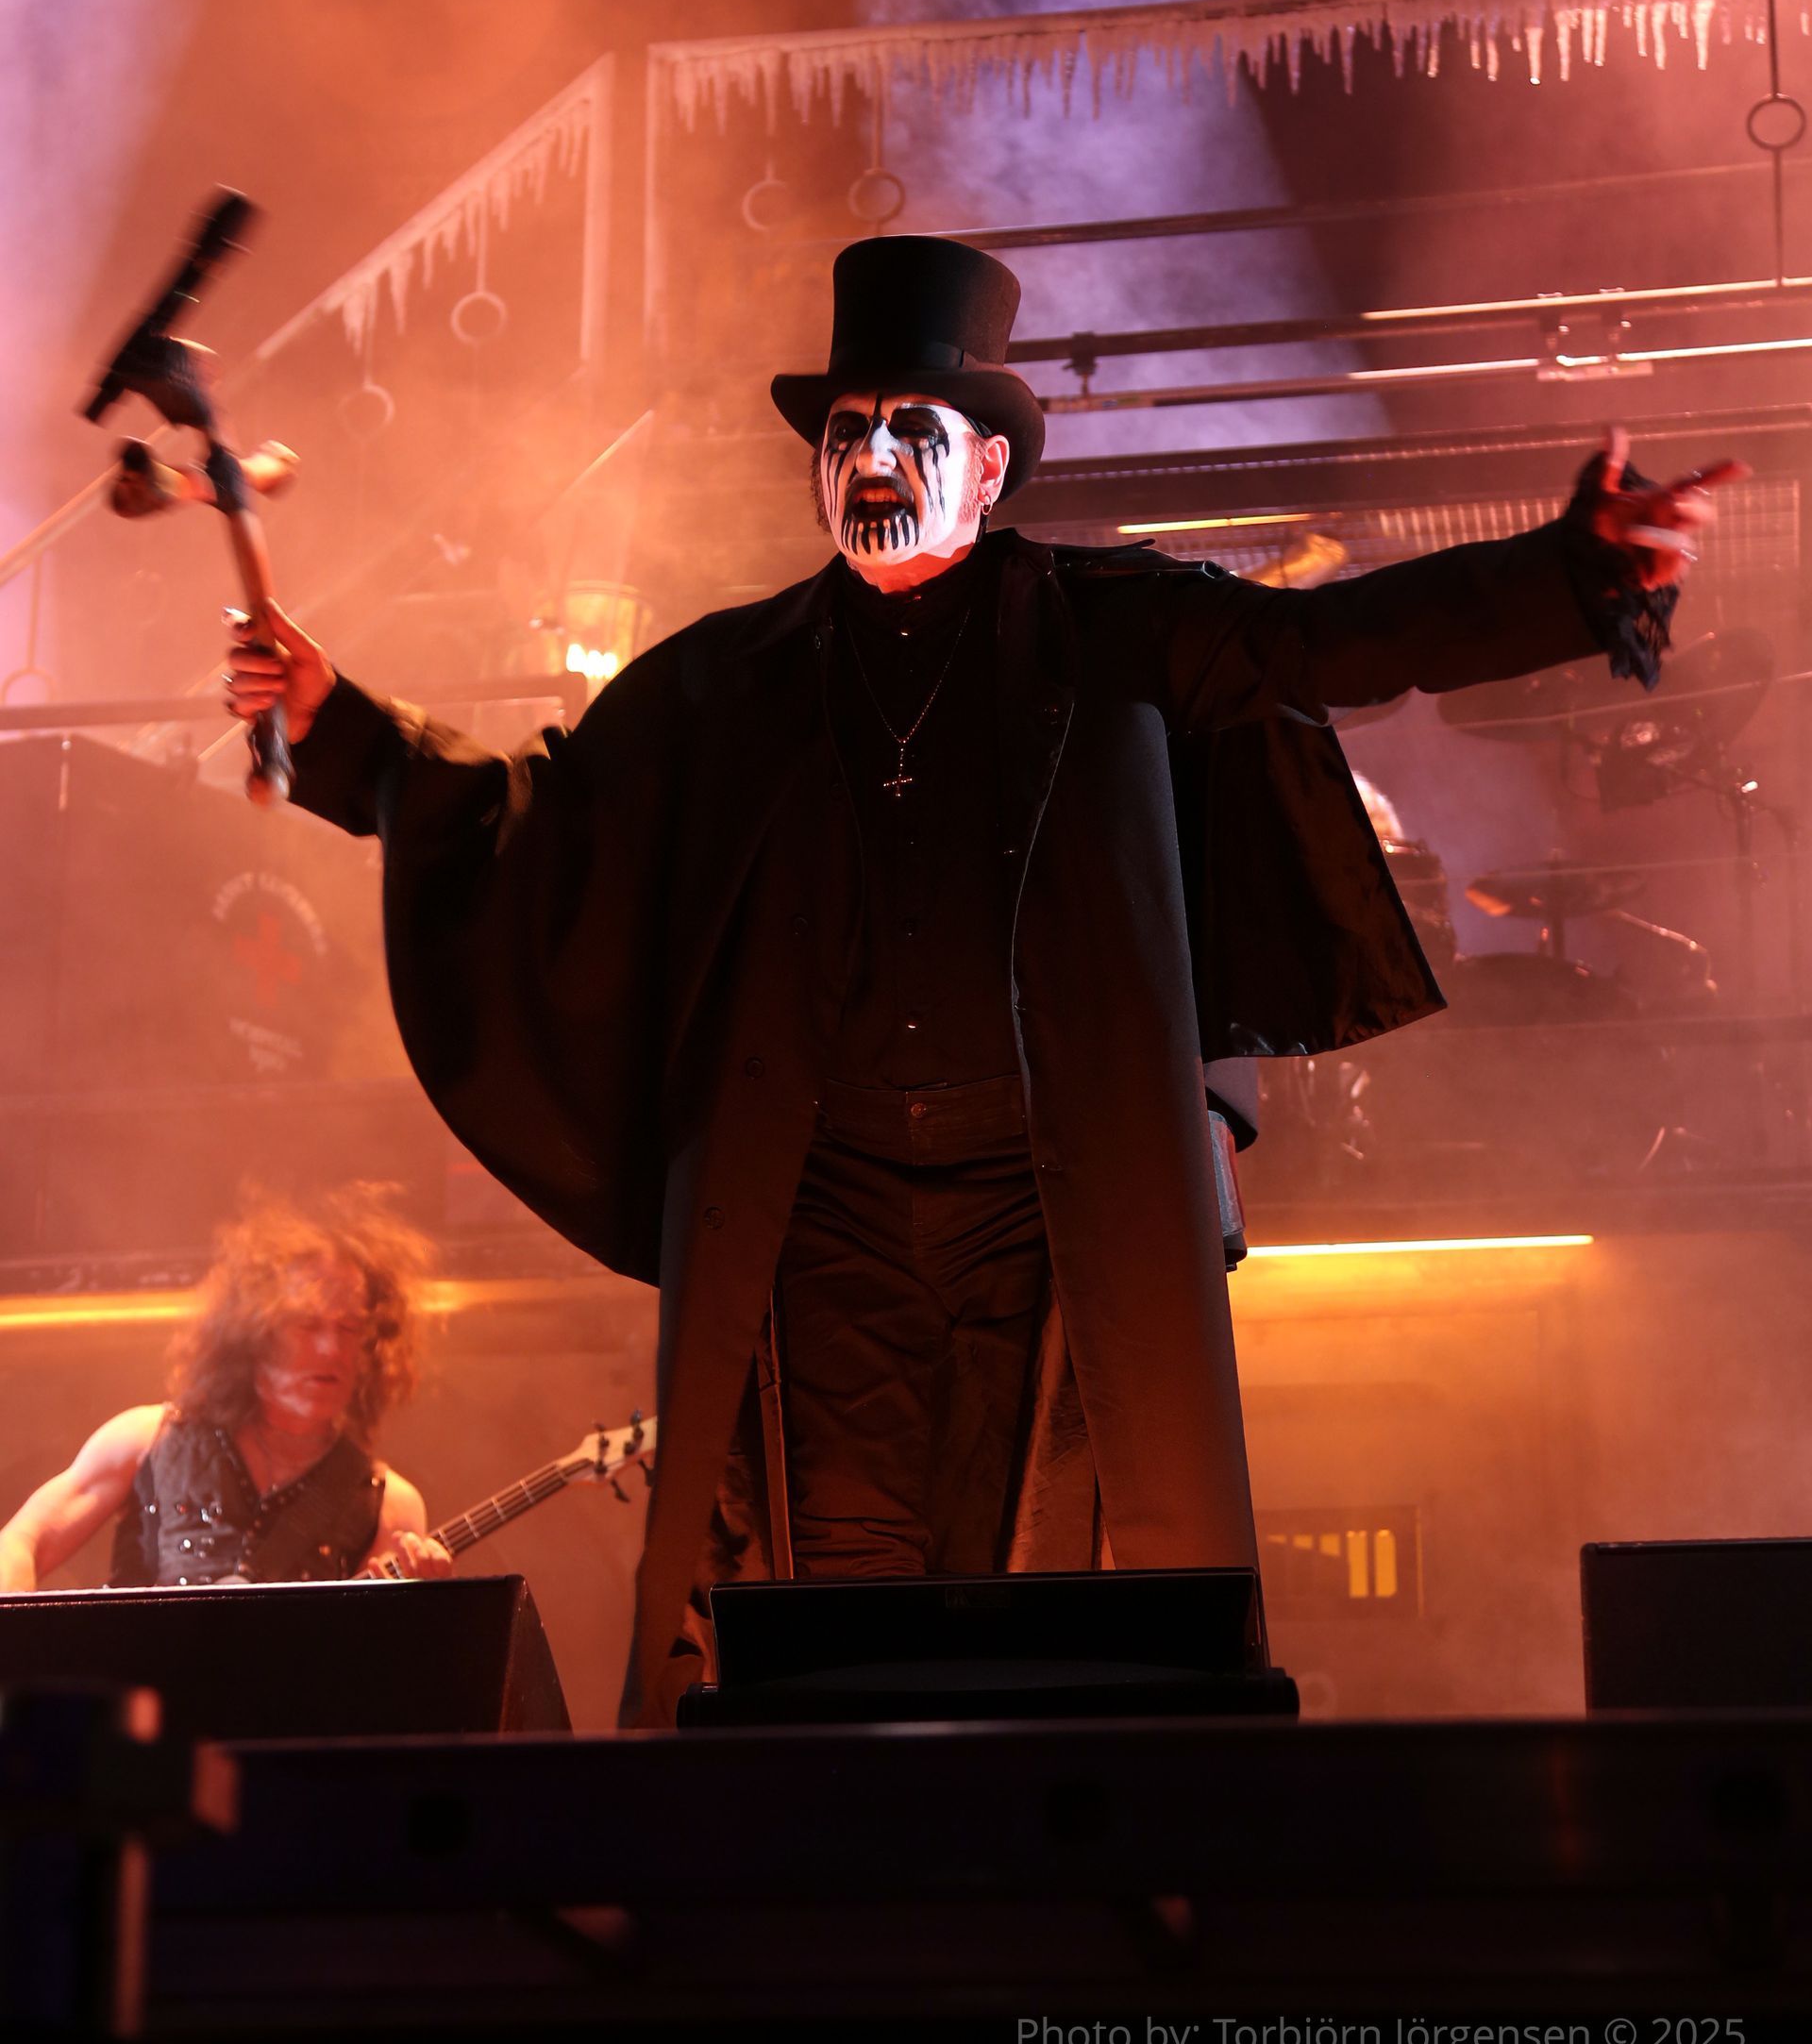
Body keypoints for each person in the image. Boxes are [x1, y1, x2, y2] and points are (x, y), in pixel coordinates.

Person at [221, 235, 1737, 1723]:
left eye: (911, 430)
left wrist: (1569, 574)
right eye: (847, 433)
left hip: (1046, 1201)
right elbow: (536, 816)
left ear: (992, 469)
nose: (873, 460)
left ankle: (1043, 1855)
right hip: (824, 1211)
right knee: (829, 1589)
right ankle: (836, 1859)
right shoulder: (732, 678)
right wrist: (340, 724)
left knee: (1059, 1573)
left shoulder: (1110, 627)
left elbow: (1332, 640)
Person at [0, 1189, 452, 1589]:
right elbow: (24, 1540)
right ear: (252, 1332)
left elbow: (372, 1653)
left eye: (349, 1328)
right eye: (307, 1324)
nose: (331, 1348)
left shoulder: (391, 1505)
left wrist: (421, 1610)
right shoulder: (145, 1439)